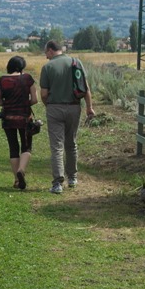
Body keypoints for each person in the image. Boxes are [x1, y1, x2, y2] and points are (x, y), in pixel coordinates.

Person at [39, 40, 95, 194]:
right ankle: (73, 177)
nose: (46, 56)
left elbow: (43, 94)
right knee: (71, 143)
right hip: (74, 107)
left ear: (51, 50)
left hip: (54, 108)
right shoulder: (76, 62)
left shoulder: (47, 67)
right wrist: (89, 107)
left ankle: (57, 183)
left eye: (46, 53)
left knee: (56, 147)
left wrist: (49, 105)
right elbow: (86, 88)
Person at [0, 55, 38, 190]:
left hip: (8, 118)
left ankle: (16, 180)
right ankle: (21, 170)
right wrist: (24, 103)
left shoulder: (2, 80)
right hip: (24, 118)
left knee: (13, 148)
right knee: (26, 147)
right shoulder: (28, 78)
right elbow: (35, 100)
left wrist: (7, 104)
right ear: (22, 67)